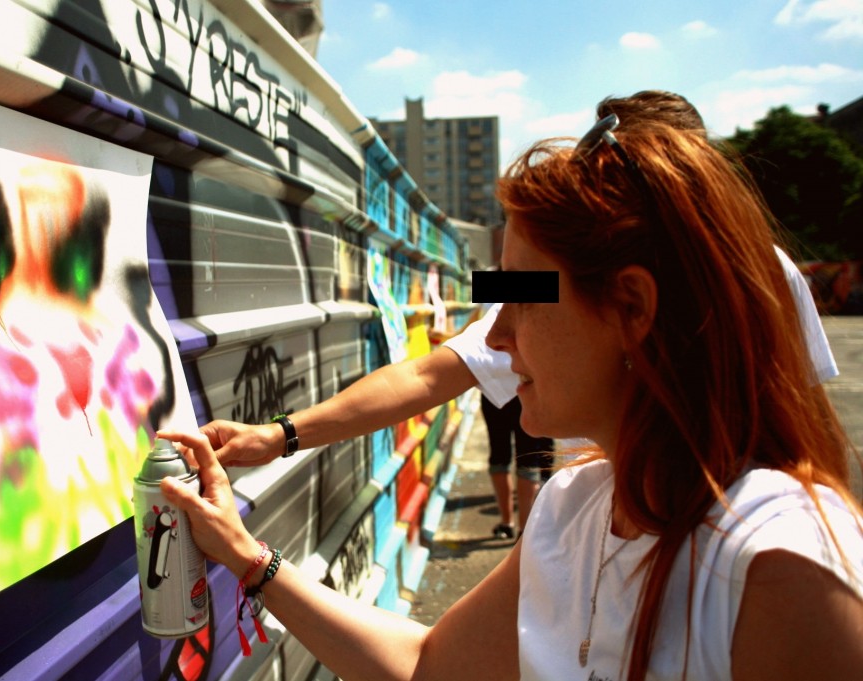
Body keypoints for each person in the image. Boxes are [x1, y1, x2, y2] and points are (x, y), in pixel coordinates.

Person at [158, 113, 863, 679]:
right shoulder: (570, 510)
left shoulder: (779, 572)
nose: (494, 338)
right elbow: (428, 664)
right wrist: (249, 555)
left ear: (632, 307)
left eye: (523, 296)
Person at [198, 91, 837, 483]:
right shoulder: (578, 512)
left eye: (628, 164)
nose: (504, 332)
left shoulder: (765, 270)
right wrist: (279, 436)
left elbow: (804, 426)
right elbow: (432, 373)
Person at [481, 393, 551, 539]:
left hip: (494, 392)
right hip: (526, 394)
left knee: (501, 457)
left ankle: (508, 524)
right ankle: (523, 531)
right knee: (526, 460)